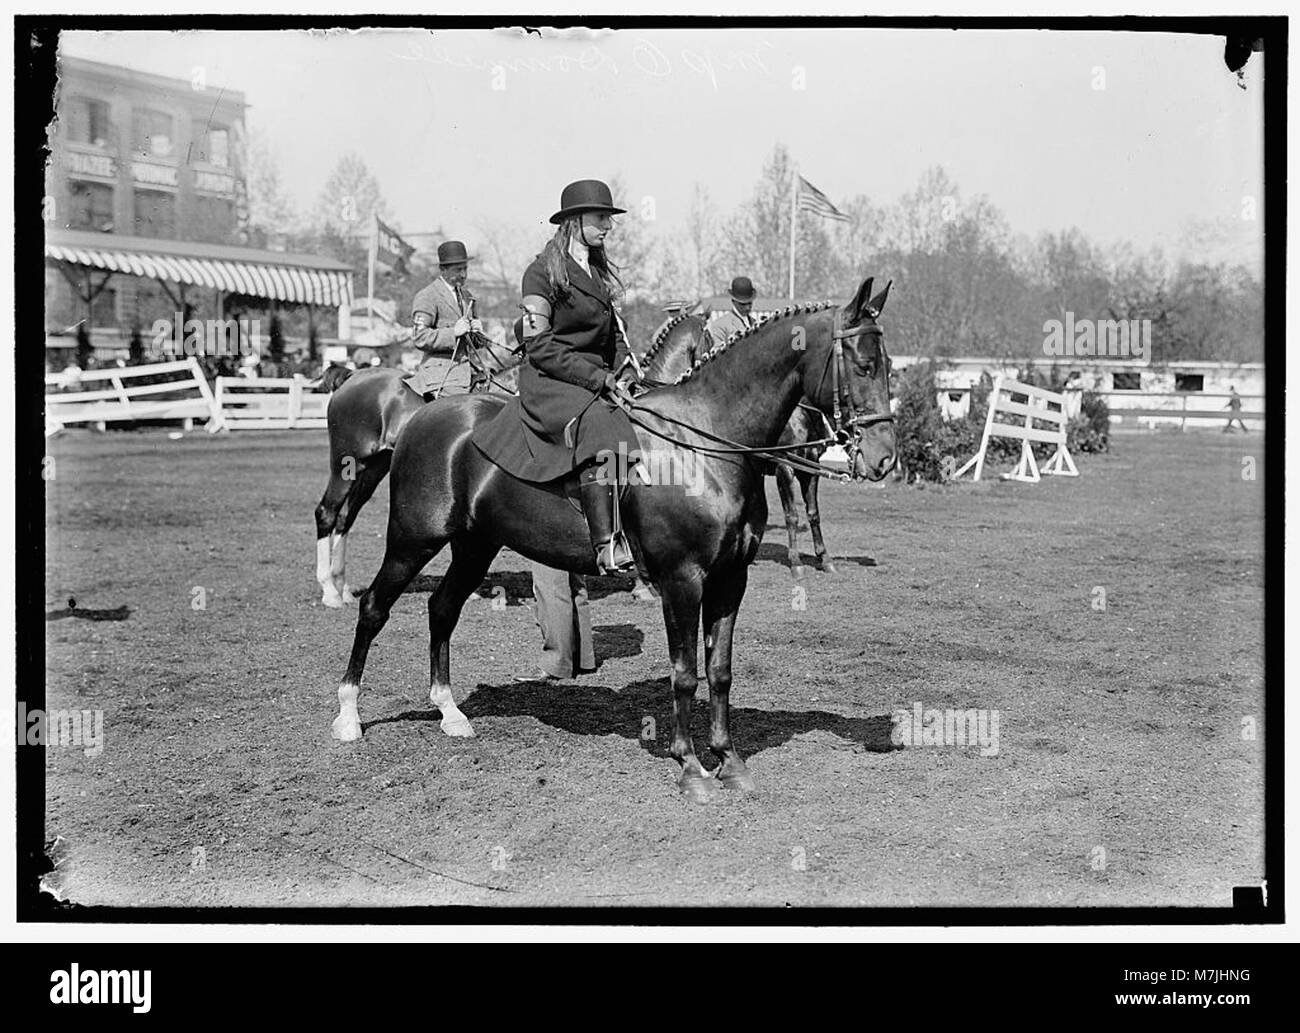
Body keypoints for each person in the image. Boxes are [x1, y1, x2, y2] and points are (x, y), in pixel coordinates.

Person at [471, 179, 637, 574]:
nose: (608, 226)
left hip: (593, 376)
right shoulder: (540, 273)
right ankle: (606, 542)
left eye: (609, 218)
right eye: (601, 218)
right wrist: (600, 379)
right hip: (550, 380)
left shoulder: (596, 273)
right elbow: (540, 346)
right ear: (576, 221)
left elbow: (612, 333)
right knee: (599, 422)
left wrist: (624, 369)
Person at [405, 240, 484, 401]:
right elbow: (419, 337)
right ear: (443, 270)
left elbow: (472, 344)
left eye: (465, 269)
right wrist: (453, 332)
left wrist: (479, 335)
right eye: (457, 270)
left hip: (467, 371)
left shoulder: (468, 297)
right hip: (441, 377)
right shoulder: (428, 296)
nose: (463, 274)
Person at [707, 275, 759, 349]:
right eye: (742, 304)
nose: (747, 307)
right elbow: (717, 356)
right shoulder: (720, 326)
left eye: (750, 303)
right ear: (733, 301)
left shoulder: (756, 324)